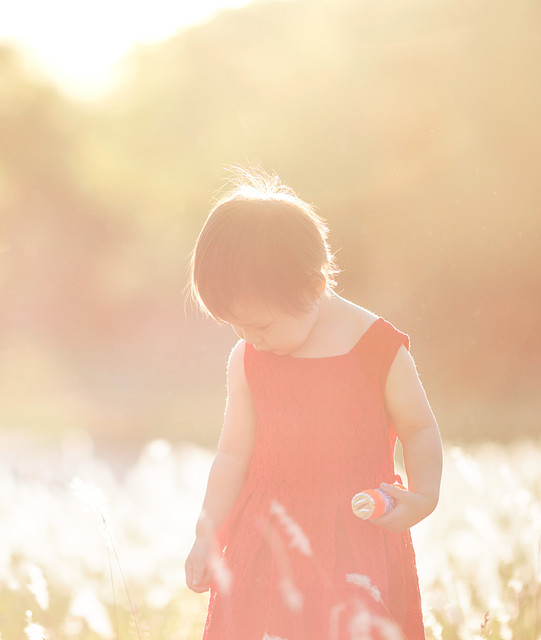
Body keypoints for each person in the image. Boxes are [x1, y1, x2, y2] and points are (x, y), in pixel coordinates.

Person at [184, 169, 442, 639]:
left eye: (260, 325)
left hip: (355, 538)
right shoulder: (248, 359)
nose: (249, 339)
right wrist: (207, 535)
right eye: (235, 327)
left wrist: (423, 496)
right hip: (264, 545)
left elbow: (420, 429)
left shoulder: (376, 349)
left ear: (313, 283)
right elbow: (232, 456)